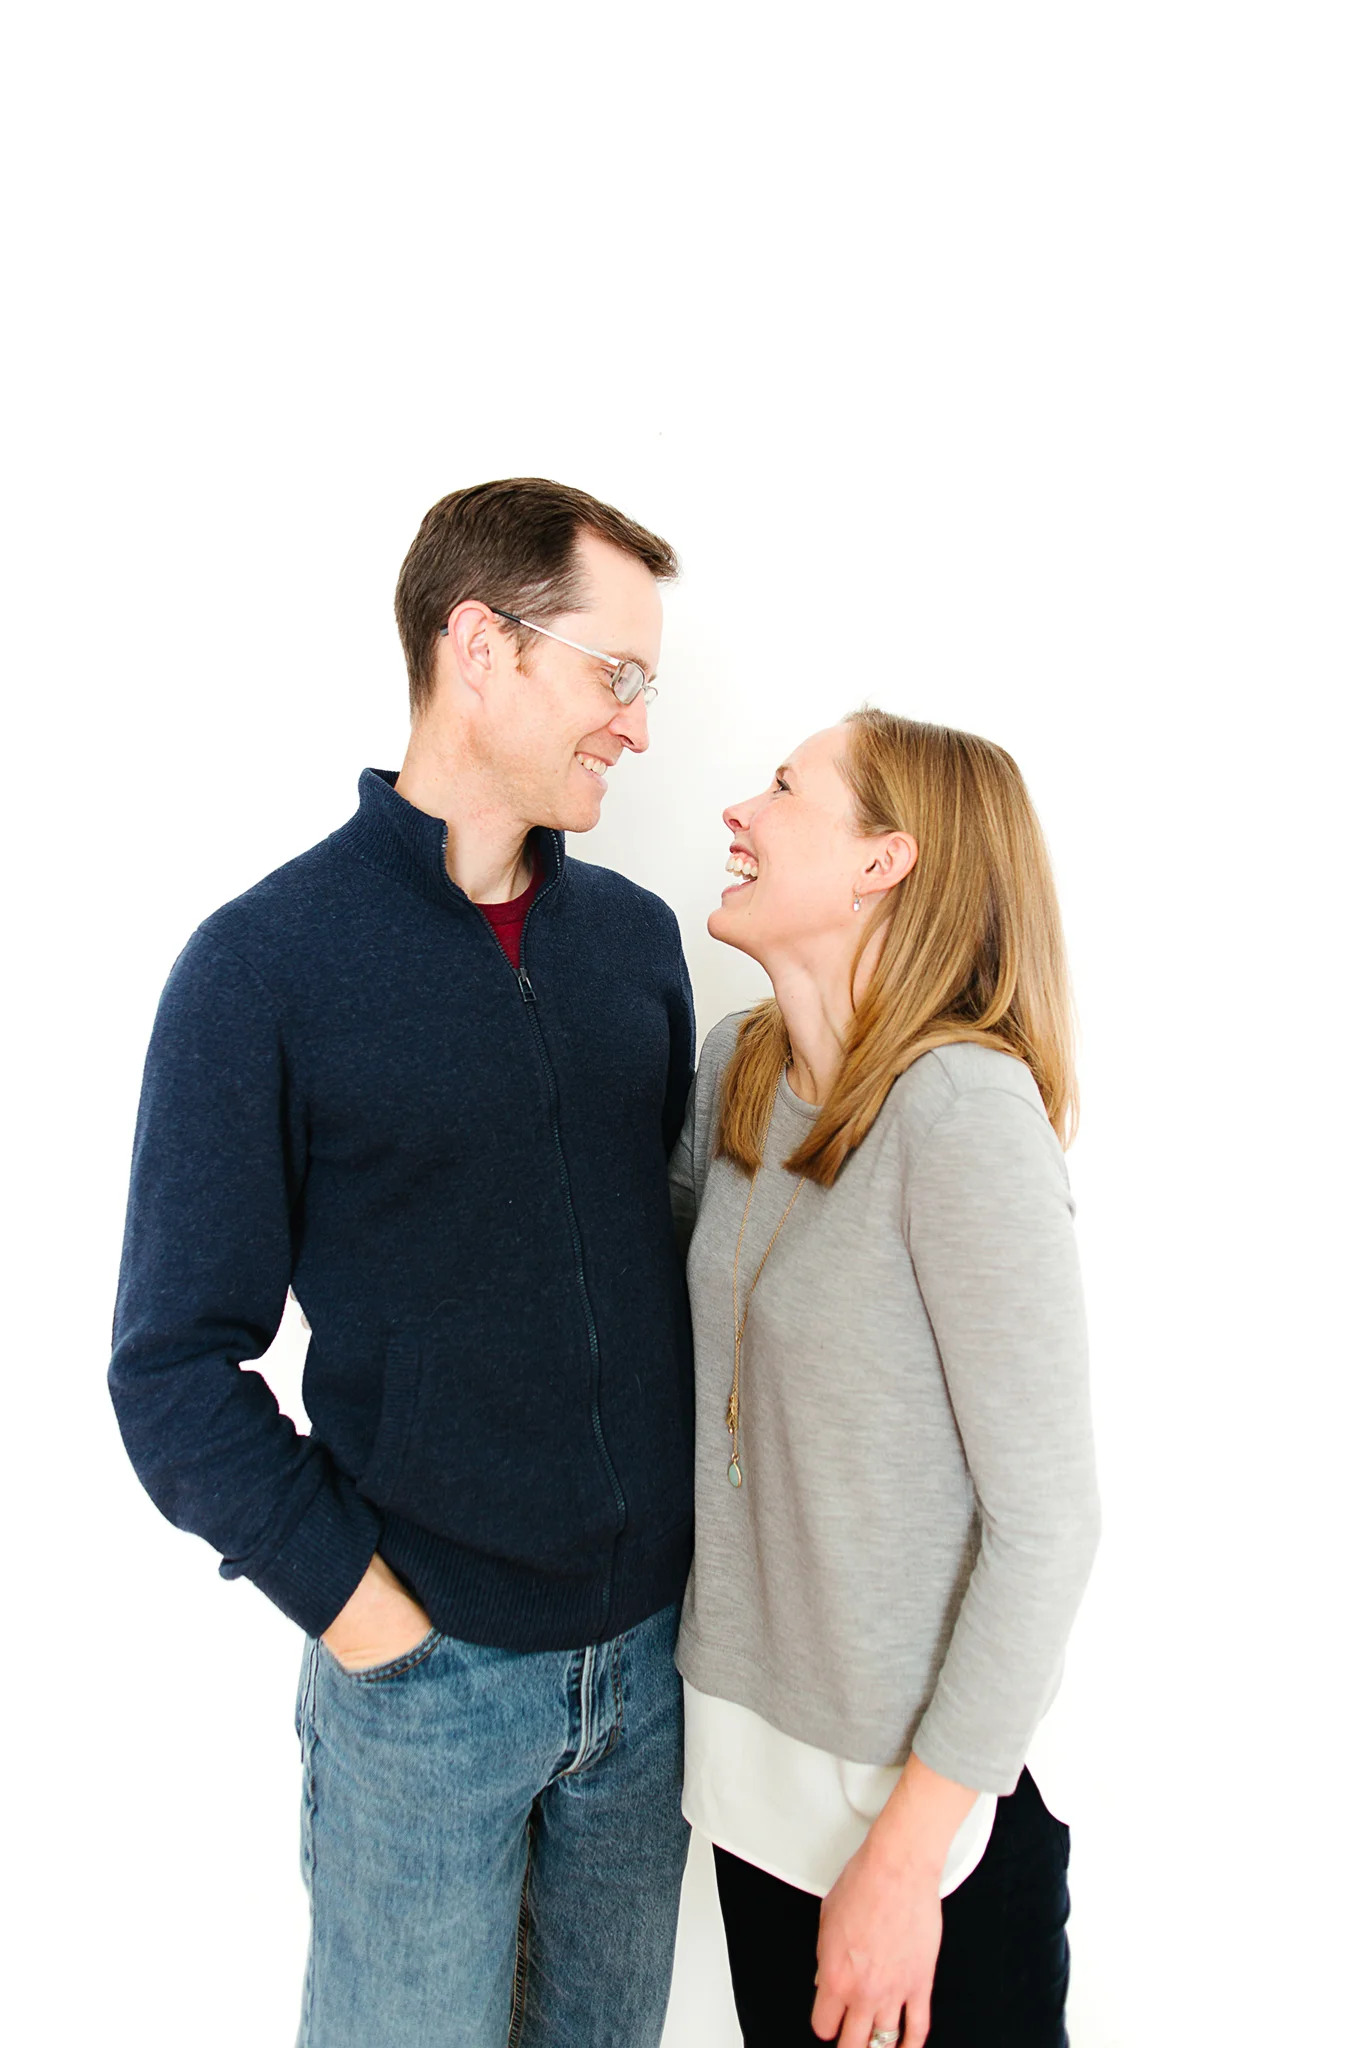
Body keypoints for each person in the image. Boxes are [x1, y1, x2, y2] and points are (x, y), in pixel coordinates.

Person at [109, 478, 697, 2048]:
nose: (639, 727)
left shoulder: (635, 946)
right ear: (480, 646)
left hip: (649, 1679)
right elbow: (172, 1369)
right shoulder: (264, 966)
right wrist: (367, 1617)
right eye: (616, 675)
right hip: (428, 1689)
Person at [670, 710, 1101, 2048]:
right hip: (752, 1809)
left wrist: (906, 1864)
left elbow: (1048, 1527)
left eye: (784, 789)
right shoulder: (738, 1071)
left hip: (921, 1854)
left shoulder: (963, 1113)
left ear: (883, 861)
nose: (739, 811)